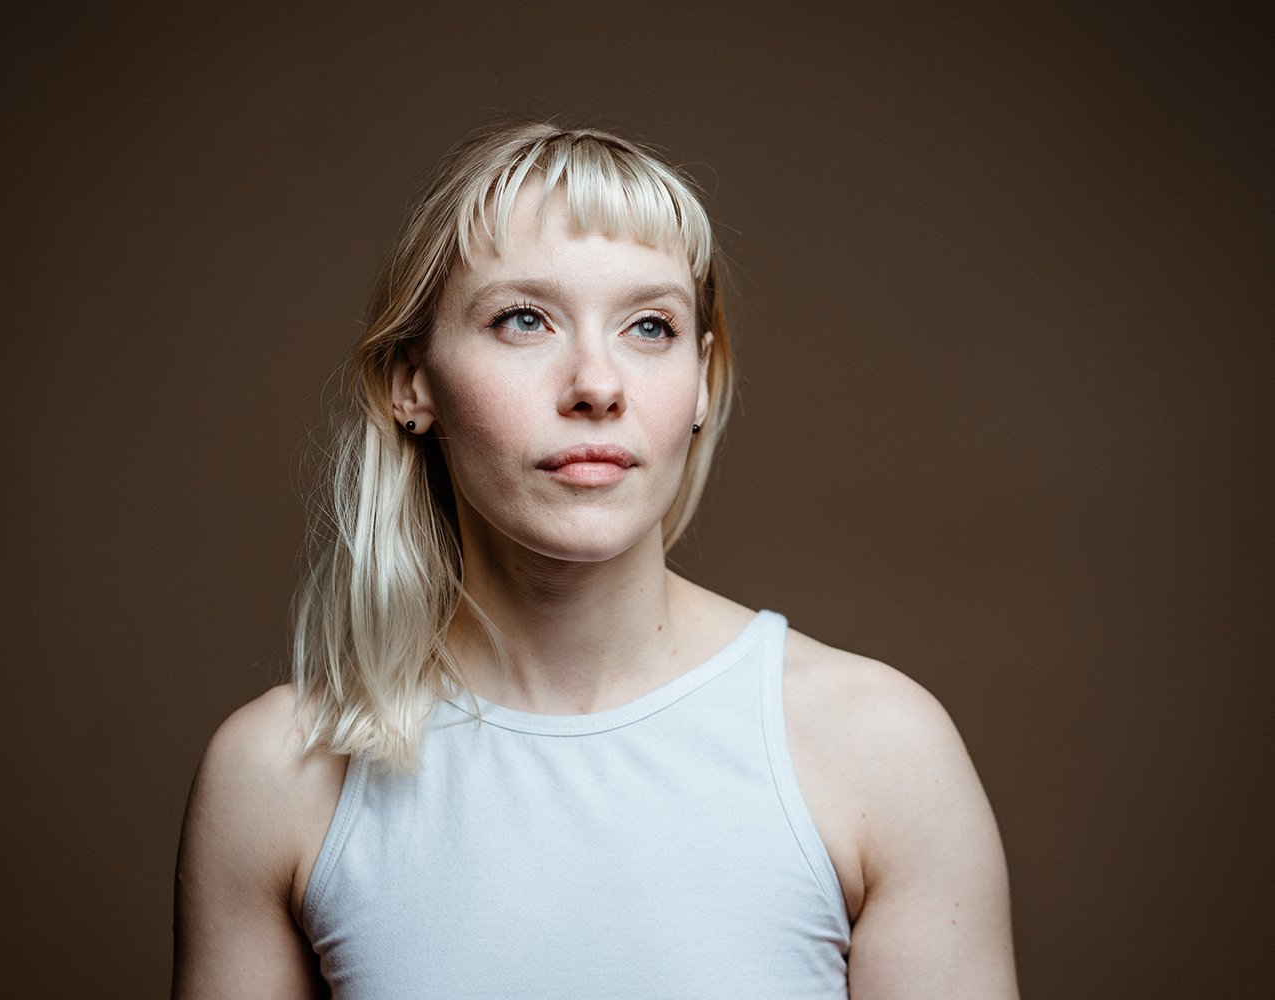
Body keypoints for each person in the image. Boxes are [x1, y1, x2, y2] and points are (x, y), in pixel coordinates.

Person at [172, 121, 1019, 999]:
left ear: (700, 380)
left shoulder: (881, 752)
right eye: (524, 319)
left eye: (648, 326)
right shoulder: (277, 773)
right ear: (410, 382)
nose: (597, 384)